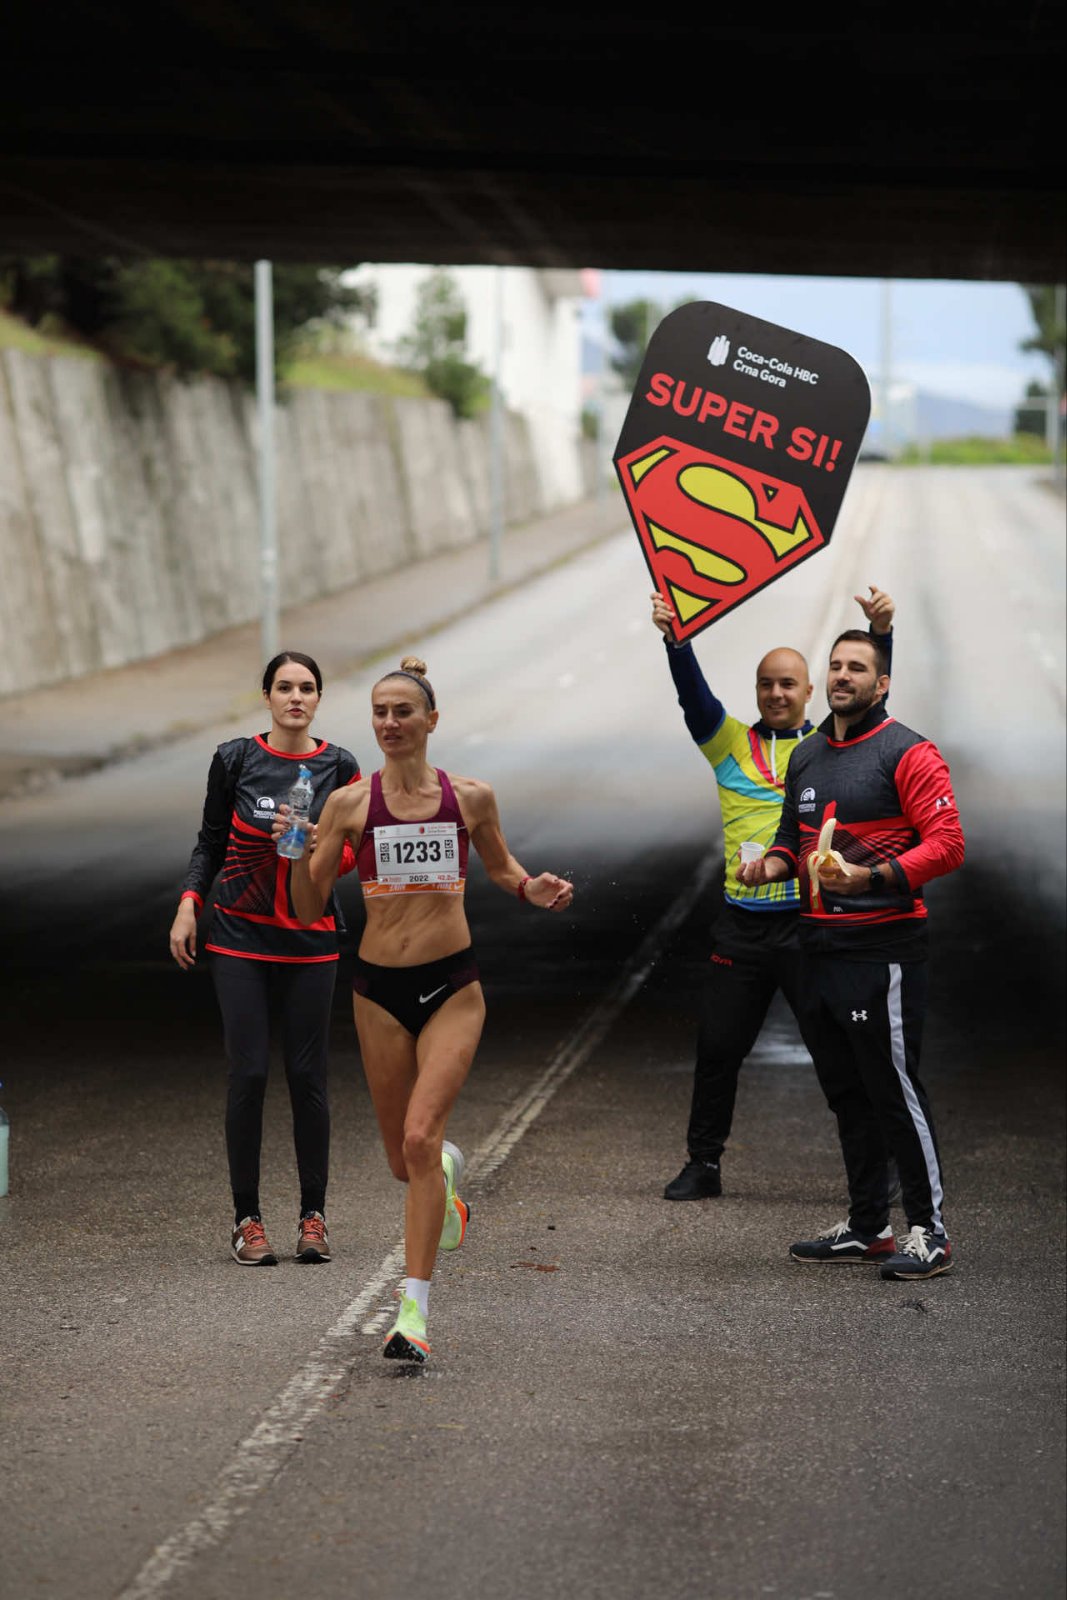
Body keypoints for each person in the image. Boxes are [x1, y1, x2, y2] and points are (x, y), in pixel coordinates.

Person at [281, 655, 573, 1364]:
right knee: (403, 1160)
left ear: (431, 721)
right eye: (379, 712)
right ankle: (443, 1176)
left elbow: (502, 868)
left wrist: (528, 888)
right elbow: (306, 906)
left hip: (451, 987)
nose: (389, 723)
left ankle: (412, 1312)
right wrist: (297, 849)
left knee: (416, 1138)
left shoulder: (469, 798)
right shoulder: (349, 805)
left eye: (402, 711)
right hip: (378, 993)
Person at [654, 585, 896, 1201]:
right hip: (741, 927)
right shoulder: (728, 742)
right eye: (767, 684)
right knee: (717, 1049)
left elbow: (873, 703)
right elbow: (692, 698)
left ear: (809, 692)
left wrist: (881, 636)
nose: (777, 693)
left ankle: (873, 1178)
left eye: (789, 684)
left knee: (839, 1058)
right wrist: (675, 640)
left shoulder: (829, 748)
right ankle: (702, 1165)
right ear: (757, 691)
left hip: (810, 926)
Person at [736, 628, 964, 1279]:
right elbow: (789, 842)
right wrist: (769, 868)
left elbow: (946, 844)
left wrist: (870, 879)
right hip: (817, 949)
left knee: (892, 1090)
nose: (841, 676)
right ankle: (868, 1227)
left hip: (881, 951)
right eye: (834, 666)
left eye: (856, 667)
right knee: (846, 1092)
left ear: (881, 682)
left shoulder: (908, 753)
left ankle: (929, 1232)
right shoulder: (805, 757)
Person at [169, 651, 361, 1267]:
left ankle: (313, 1218)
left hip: (310, 938)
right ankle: (246, 1221)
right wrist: (189, 903)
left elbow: (356, 853)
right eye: (284, 687)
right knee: (248, 1074)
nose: (295, 697)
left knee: (308, 1078)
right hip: (238, 939)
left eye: (306, 688)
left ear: (319, 699)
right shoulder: (236, 759)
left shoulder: (340, 767)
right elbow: (210, 841)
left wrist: (309, 853)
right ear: (267, 695)